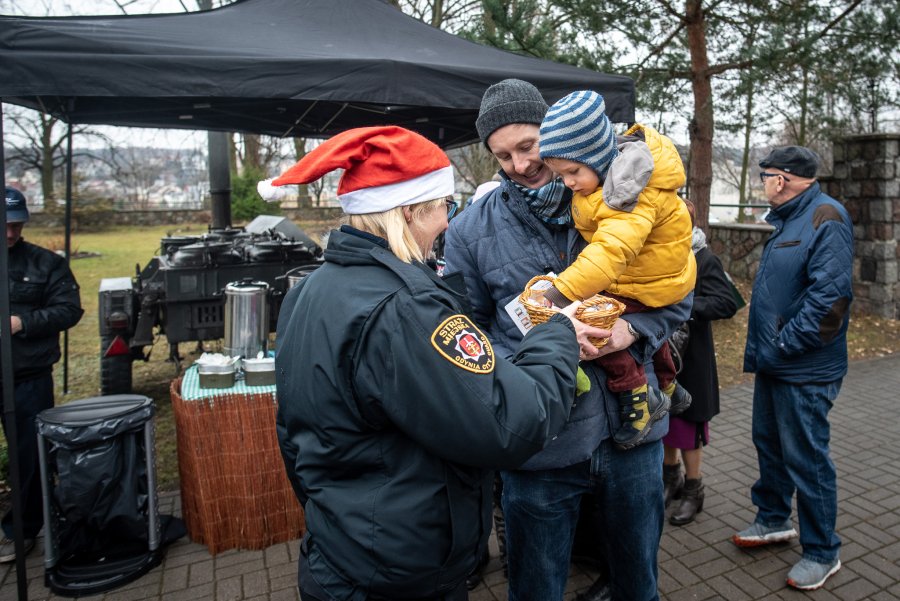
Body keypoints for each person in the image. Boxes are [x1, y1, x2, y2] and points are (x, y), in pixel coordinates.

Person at [271, 126, 605, 601]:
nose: (449, 223)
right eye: (443, 206)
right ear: (408, 211)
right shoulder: (408, 308)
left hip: (340, 549)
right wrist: (557, 332)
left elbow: (292, 434)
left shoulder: (307, 291)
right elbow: (509, 424)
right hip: (403, 566)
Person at [444, 79, 691, 601]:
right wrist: (541, 354)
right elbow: (468, 335)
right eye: (502, 154)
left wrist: (633, 329)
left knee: (638, 583)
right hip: (541, 451)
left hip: (634, 439)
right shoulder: (469, 231)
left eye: (528, 147)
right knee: (536, 587)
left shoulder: (626, 201)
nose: (518, 165)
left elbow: (677, 295)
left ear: (554, 137)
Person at [537, 90, 697, 450]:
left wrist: (561, 292)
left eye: (573, 172)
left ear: (596, 156)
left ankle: (640, 400)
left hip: (647, 281)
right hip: (652, 279)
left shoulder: (627, 192)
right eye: (561, 176)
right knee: (642, 334)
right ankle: (670, 384)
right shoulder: (611, 179)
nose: (568, 183)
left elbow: (611, 252)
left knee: (604, 336)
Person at [733, 146, 853, 591]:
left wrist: (783, 343)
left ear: (779, 180)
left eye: (763, 177)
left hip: (804, 367)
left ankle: (823, 551)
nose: (761, 185)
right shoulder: (790, 218)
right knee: (769, 443)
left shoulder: (826, 217)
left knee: (807, 458)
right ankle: (773, 519)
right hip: (776, 362)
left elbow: (831, 299)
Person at [0, 186, 83, 563]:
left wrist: (23, 322)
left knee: (28, 460)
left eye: (17, 224)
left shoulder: (45, 263)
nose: (11, 233)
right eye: (5, 224)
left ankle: (22, 528)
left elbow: (69, 310)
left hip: (28, 377)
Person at [662, 199, 739, 526]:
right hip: (662, 357)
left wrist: (684, 306)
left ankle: (694, 489)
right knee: (664, 422)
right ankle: (671, 478)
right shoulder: (659, 255)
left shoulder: (704, 258)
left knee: (690, 423)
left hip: (692, 359)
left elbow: (727, 302)